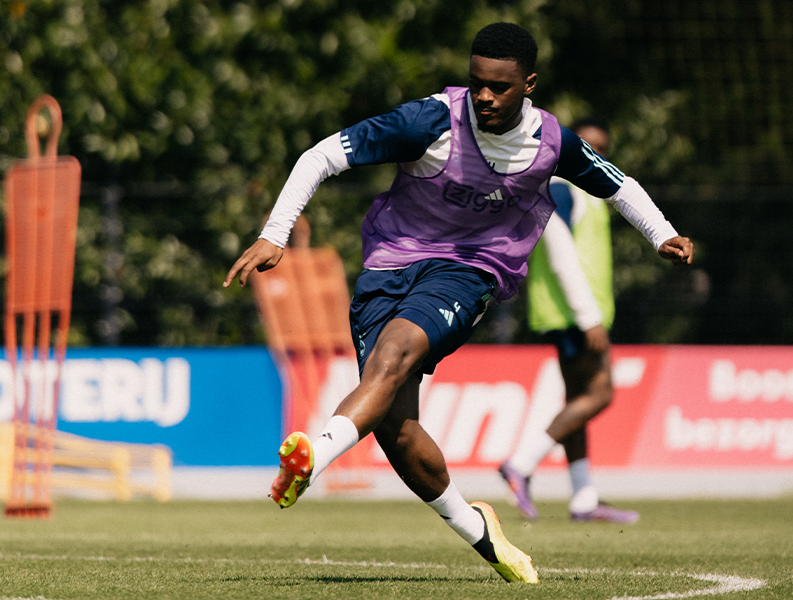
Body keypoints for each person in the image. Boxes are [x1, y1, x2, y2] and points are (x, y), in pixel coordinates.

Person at [224, 22, 694, 584]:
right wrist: (276, 233)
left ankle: (313, 457)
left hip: (470, 271)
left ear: (529, 85)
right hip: (389, 267)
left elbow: (618, 184)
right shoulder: (428, 121)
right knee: (396, 431)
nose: (485, 97)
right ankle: (479, 531)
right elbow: (320, 156)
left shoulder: (552, 143)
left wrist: (661, 232)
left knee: (394, 356)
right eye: (476, 84)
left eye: (499, 86)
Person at [498, 117, 640, 524]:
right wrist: (588, 316)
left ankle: (583, 498)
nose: (595, 157)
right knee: (600, 393)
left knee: (577, 401)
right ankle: (520, 465)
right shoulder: (563, 187)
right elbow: (559, 249)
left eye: (602, 150)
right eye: (587, 148)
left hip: (572, 312)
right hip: (575, 314)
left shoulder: (589, 192)